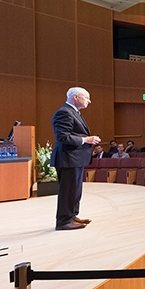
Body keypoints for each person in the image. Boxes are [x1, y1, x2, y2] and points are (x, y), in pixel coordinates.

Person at [50, 87, 100, 231]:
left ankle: (72, 216)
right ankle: (63, 221)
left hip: (75, 158)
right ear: (76, 97)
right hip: (68, 158)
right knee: (68, 191)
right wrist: (86, 140)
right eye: (87, 98)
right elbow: (63, 137)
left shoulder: (74, 112)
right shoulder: (64, 113)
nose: (89, 101)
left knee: (75, 190)